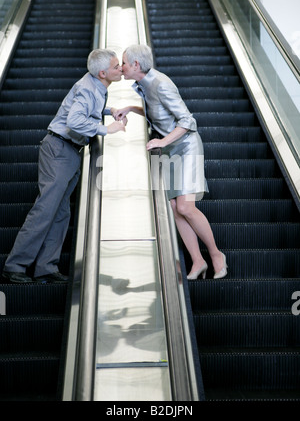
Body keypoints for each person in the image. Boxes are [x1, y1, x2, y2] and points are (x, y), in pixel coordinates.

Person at [2, 48, 126, 283]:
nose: (120, 69)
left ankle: (46, 266)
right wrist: (106, 129)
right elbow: (75, 119)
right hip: (59, 150)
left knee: (60, 213)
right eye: (116, 66)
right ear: (102, 72)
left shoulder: (96, 86)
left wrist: (110, 111)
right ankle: (15, 265)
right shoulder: (89, 88)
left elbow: (87, 110)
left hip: (69, 151)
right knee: (45, 209)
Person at [117, 44, 227, 280]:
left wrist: (161, 141)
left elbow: (187, 120)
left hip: (185, 145)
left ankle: (216, 255)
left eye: (124, 62)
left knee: (186, 206)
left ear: (136, 65)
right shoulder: (145, 84)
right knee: (176, 207)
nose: (121, 66)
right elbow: (158, 112)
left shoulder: (161, 84)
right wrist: (131, 108)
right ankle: (197, 261)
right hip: (169, 147)